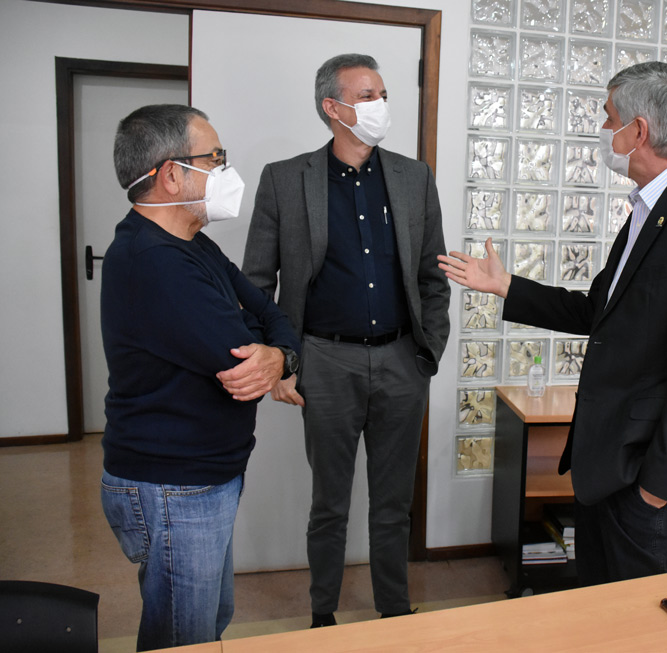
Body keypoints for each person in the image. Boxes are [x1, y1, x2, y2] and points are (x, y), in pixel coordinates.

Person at [439, 62, 667, 585]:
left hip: (644, 481)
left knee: (642, 630)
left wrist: (655, 489)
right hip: (604, 469)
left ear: (639, 131)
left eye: (609, 119)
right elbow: (598, 311)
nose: (603, 132)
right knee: (598, 619)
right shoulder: (645, 209)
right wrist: (506, 287)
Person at [242, 53, 450, 626]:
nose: (380, 105)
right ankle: (322, 617)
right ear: (333, 108)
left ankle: (392, 612)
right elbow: (258, 282)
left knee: (392, 506)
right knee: (329, 505)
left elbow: (433, 276)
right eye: (367, 96)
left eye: (383, 93)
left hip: (400, 361)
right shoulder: (285, 180)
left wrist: (427, 352)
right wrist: (283, 362)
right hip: (324, 360)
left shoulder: (414, 177)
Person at [100, 104, 301, 651]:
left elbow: (268, 310)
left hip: (203, 475)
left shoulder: (193, 246)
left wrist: (279, 353)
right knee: (182, 637)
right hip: (172, 483)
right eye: (214, 158)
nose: (225, 170)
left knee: (211, 618)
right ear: (171, 175)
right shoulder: (151, 260)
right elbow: (237, 352)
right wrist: (271, 348)